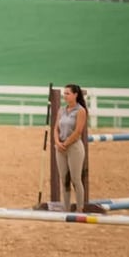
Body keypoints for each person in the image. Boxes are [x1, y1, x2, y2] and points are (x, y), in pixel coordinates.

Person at [53, 83, 88, 212]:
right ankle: (66, 209)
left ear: (75, 95)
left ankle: (80, 209)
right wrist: (57, 142)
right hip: (60, 148)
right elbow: (56, 128)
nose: (65, 96)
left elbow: (78, 131)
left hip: (74, 148)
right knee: (64, 179)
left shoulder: (80, 111)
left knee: (75, 179)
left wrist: (66, 143)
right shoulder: (61, 110)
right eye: (64, 93)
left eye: (67, 93)